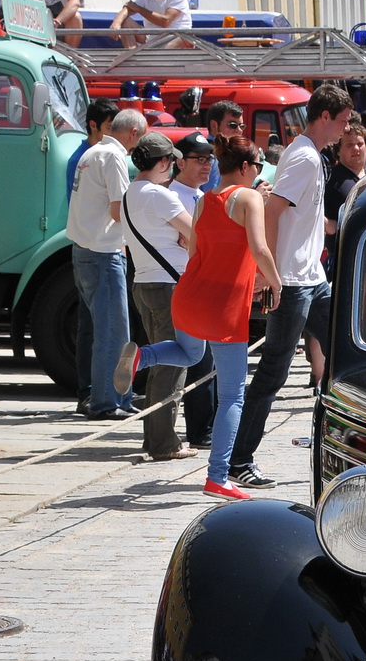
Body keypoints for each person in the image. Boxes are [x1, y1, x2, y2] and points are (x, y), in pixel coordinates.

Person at [118, 136, 282, 501]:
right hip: (224, 306)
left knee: (189, 353)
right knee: (232, 396)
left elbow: (193, 250)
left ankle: (142, 356)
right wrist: (276, 282)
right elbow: (259, 247)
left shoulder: (203, 200)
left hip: (189, 295)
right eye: (257, 166)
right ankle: (218, 476)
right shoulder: (250, 197)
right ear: (245, 167)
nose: (259, 173)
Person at [225, 84, 355, 491]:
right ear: (325, 117)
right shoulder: (302, 157)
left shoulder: (310, 154)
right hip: (294, 281)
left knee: (347, 351)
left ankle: (346, 439)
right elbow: (272, 211)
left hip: (311, 278)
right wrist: (270, 272)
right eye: (343, 121)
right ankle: (239, 459)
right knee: (273, 371)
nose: (346, 128)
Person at [121, 131, 198, 462]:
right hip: (171, 285)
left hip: (143, 283)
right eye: (172, 161)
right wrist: (185, 238)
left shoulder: (129, 193)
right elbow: (197, 235)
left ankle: (154, 437)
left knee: (162, 361)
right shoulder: (161, 196)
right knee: (174, 363)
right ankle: (165, 442)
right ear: (164, 162)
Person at [68, 108, 145, 420]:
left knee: (105, 330)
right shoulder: (113, 157)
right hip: (103, 252)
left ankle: (115, 398)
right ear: (133, 133)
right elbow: (118, 209)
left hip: (85, 249)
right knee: (113, 332)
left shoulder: (92, 152)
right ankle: (106, 401)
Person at [66, 98, 120, 416]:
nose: (115, 133)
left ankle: (96, 390)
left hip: (91, 245)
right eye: (110, 127)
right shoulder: (88, 157)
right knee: (93, 327)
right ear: (94, 126)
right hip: (93, 247)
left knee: (94, 325)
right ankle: (89, 390)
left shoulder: (89, 155)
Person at [169, 132, 218, 447]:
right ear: (180, 162)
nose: (206, 165)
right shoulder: (173, 196)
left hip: (205, 284)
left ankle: (207, 427)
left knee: (209, 362)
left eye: (209, 159)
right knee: (197, 362)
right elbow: (190, 240)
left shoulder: (202, 196)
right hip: (183, 284)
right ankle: (200, 430)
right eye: (199, 159)